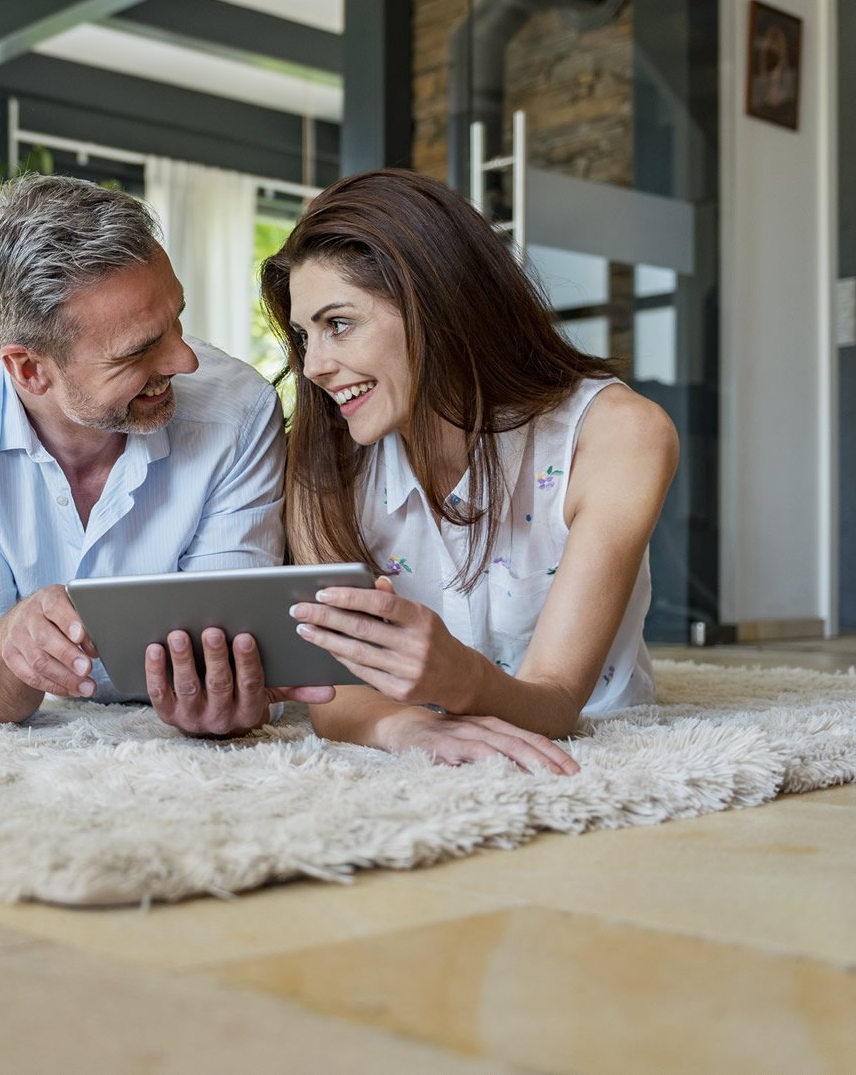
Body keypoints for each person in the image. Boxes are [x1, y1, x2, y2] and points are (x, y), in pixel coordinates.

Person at [263, 169, 678, 774]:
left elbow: (558, 701)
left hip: (598, 749)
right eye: (304, 336)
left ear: (436, 303)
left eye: (340, 323)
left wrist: (458, 679)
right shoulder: (323, 462)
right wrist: (412, 728)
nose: (317, 366)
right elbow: (338, 692)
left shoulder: (618, 434)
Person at [0, 173, 336, 735]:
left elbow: (239, 654)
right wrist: (11, 641)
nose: (185, 361)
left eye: (176, 319)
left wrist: (225, 700)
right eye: (138, 350)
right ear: (28, 369)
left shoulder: (237, 410)